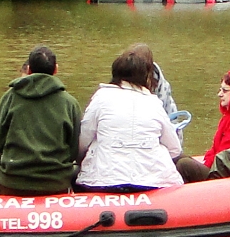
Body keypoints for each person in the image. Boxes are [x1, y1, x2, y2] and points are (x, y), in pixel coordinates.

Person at [75, 44, 184, 192]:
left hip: (103, 180)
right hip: (152, 181)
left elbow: (83, 140)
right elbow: (174, 148)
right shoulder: (154, 102)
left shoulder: (101, 97)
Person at [0, 46, 82, 195]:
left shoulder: (9, 97)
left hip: (12, 182)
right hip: (56, 183)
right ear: (56, 69)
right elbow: (74, 150)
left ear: (29, 69)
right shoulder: (70, 103)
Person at [175, 71, 230, 182]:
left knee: (184, 165)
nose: (220, 94)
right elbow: (215, 149)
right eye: (220, 90)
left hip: (225, 173)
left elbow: (227, 155)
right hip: (218, 167)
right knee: (176, 156)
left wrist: (207, 167)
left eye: (225, 90)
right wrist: (206, 163)